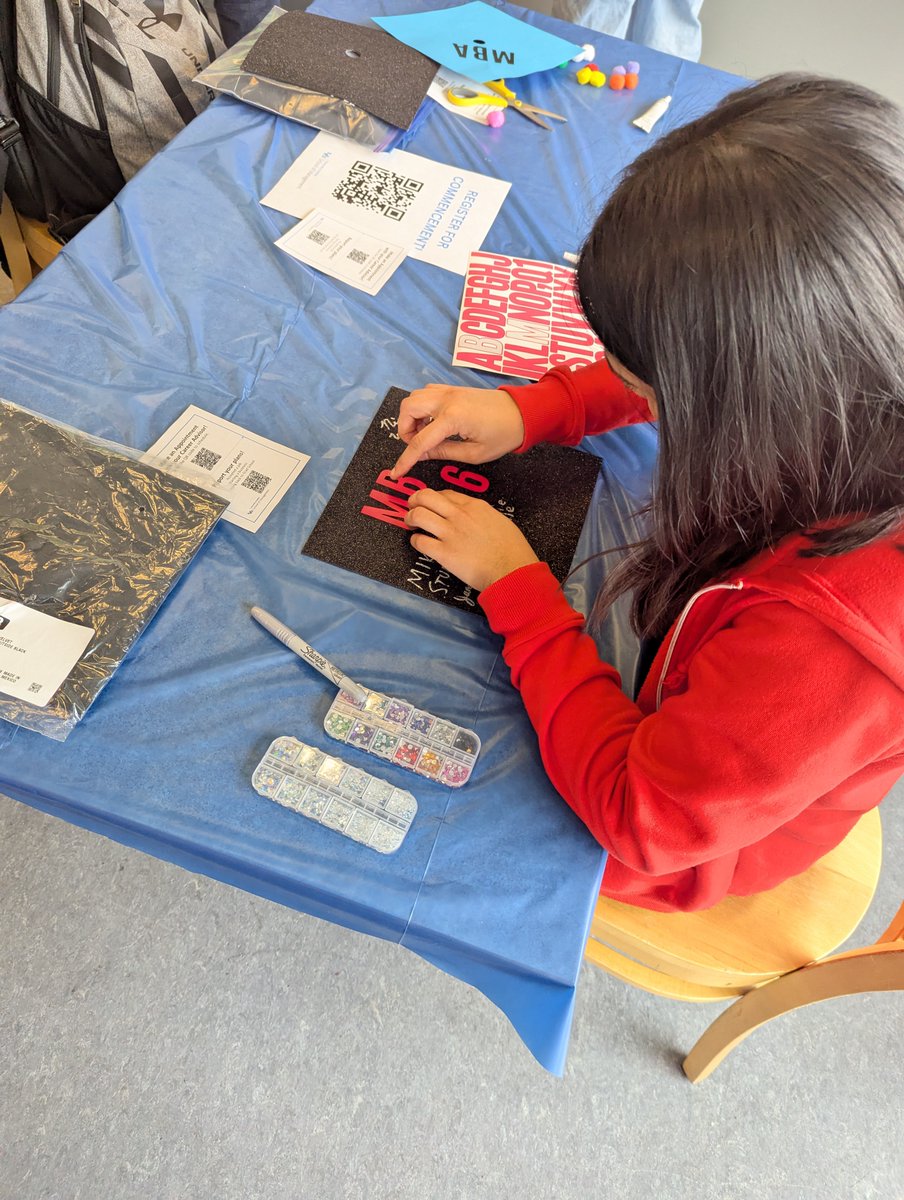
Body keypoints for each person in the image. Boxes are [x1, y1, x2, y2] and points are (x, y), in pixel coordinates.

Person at [389, 74, 904, 913]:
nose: (643, 400)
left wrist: (519, 593)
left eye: (650, 388)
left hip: (674, 842)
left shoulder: (829, 647)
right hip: (731, 720)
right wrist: (532, 410)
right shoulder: (860, 354)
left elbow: (640, 820)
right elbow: (708, 353)